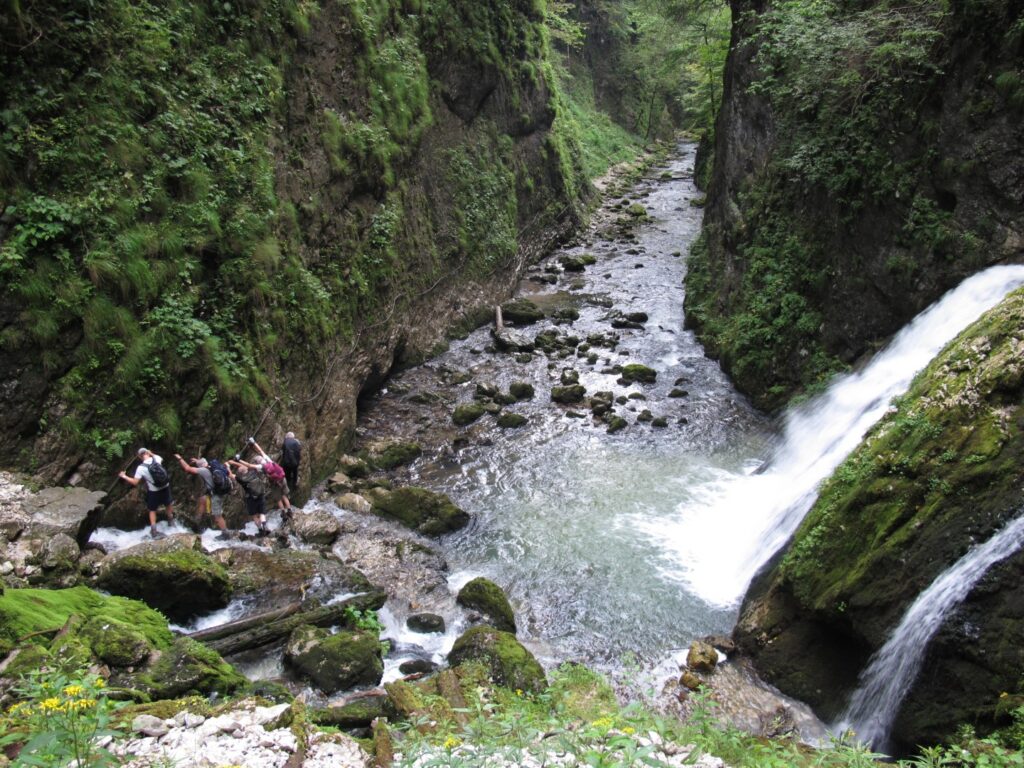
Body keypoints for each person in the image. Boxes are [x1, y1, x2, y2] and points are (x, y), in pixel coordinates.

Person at [118, 448, 174, 539]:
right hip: (165, 486)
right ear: (147, 453)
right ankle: (171, 522)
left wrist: (124, 476)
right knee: (168, 503)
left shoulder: (141, 468)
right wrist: (151, 453)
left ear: (140, 456)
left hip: (154, 491)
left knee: (152, 509)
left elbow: (135, 482)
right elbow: (157, 458)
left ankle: (154, 531)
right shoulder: (157, 458)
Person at [174, 454, 232, 540]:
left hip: (216, 494)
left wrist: (180, 459)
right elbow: (203, 463)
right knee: (203, 499)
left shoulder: (203, 471)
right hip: (220, 491)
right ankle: (197, 522)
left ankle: (225, 533)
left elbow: (187, 468)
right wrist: (197, 461)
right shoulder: (214, 466)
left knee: (217, 515)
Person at [251, 439, 293, 522]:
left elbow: (250, 466)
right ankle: (289, 511)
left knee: (278, 499)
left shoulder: (261, 468)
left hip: (274, 483)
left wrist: (238, 462)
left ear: (257, 462)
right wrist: (254, 443)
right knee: (284, 496)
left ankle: (283, 513)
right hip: (282, 479)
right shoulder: (268, 460)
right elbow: (261, 451)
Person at [228, 456, 270, 537]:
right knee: (262, 513)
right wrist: (235, 462)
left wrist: (228, 466)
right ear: (246, 470)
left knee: (254, 515)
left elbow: (230, 475)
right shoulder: (253, 472)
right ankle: (265, 526)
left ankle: (261, 530)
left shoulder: (241, 479)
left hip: (251, 498)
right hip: (260, 495)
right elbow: (245, 466)